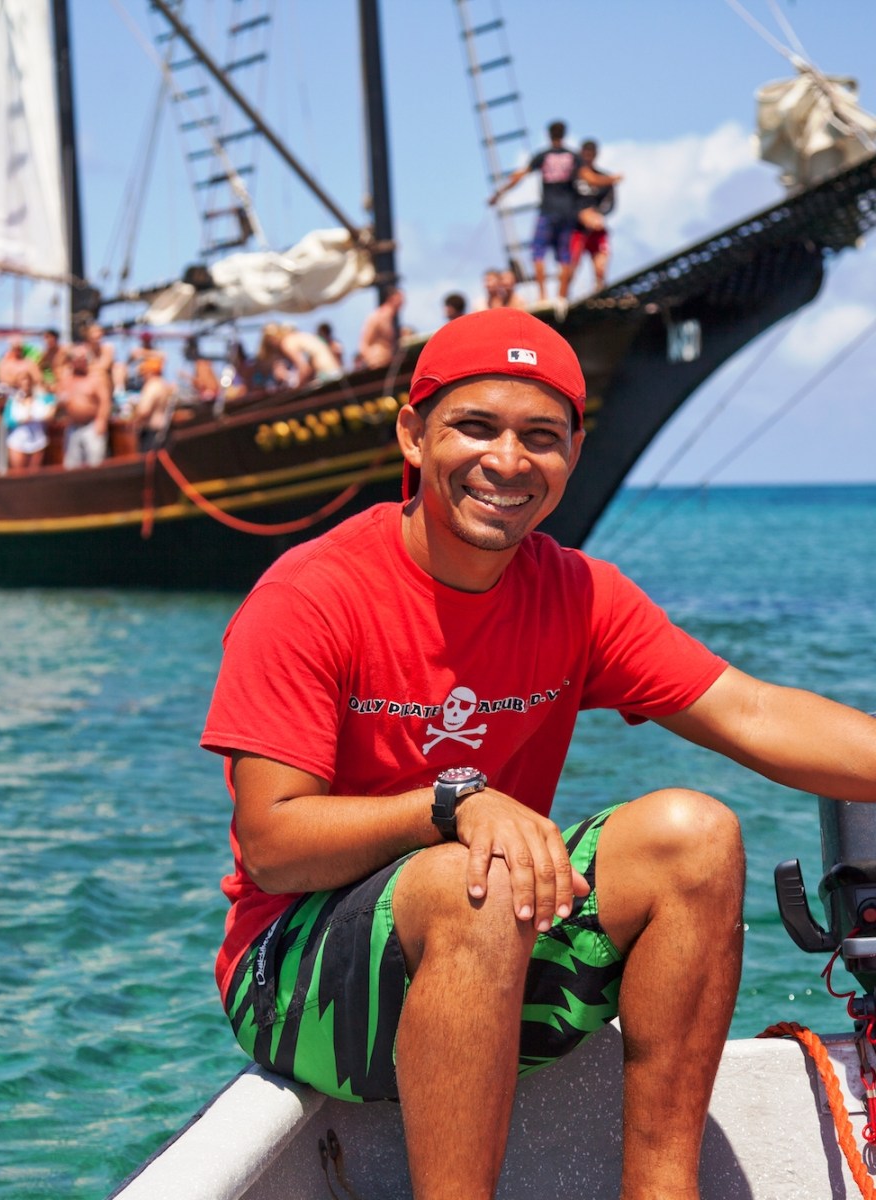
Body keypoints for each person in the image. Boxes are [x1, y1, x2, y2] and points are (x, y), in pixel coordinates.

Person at [201, 307, 876, 1199]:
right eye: (474, 428)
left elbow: (753, 714)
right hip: (298, 986)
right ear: (412, 433)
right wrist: (448, 806)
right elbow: (274, 845)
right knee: (476, 877)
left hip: (491, 965)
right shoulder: (313, 594)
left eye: (540, 437)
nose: (508, 462)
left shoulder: (576, 593)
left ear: (572, 451)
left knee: (696, 837)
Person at [489, 121, 582, 303]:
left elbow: (521, 175)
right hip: (567, 212)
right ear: (564, 135)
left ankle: (542, 296)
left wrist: (499, 193)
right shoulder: (574, 157)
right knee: (564, 255)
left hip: (547, 211)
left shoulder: (543, 156)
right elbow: (587, 176)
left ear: (549, 135)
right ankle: (562, 297)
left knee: (538, 252)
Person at [570, 139, 623, 293]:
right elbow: (565, 201)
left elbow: (611, 204)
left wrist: (598, 215)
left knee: (601, 267)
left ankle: (600, 291)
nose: (587, 158)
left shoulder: (604, 178)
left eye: (590, 155)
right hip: (576, 230)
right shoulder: (572, 178)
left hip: (597, 229)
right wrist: (580, 215)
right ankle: (564, 299)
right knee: (571, 266)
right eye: (585, 155)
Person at [57, 343, 111, 468]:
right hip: (72, 426)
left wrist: (101, 421)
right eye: (76, 358)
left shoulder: (96, 378)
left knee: (94, 463)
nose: (80, 361)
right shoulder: (66, 379)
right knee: (71, 465)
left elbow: (105, 401)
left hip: (91, 426)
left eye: (83, 358)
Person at [4, 375, 55, 471]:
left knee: (34, 474)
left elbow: (53, 399)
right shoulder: (12, 401)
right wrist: (22, 420)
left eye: (28, 384)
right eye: (22, 384)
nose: (25, 387)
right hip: (18, 442)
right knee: (19, 474)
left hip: (37, 441)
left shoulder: (40, 399)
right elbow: (7, 421)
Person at [357, 285, 403, 369]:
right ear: (392, 298)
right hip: (376, 364)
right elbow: (363, 344)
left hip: (387, 364)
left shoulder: (390, 320)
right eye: (400, 297)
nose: (403, 301)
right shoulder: (376, 316)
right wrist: (371, 360)